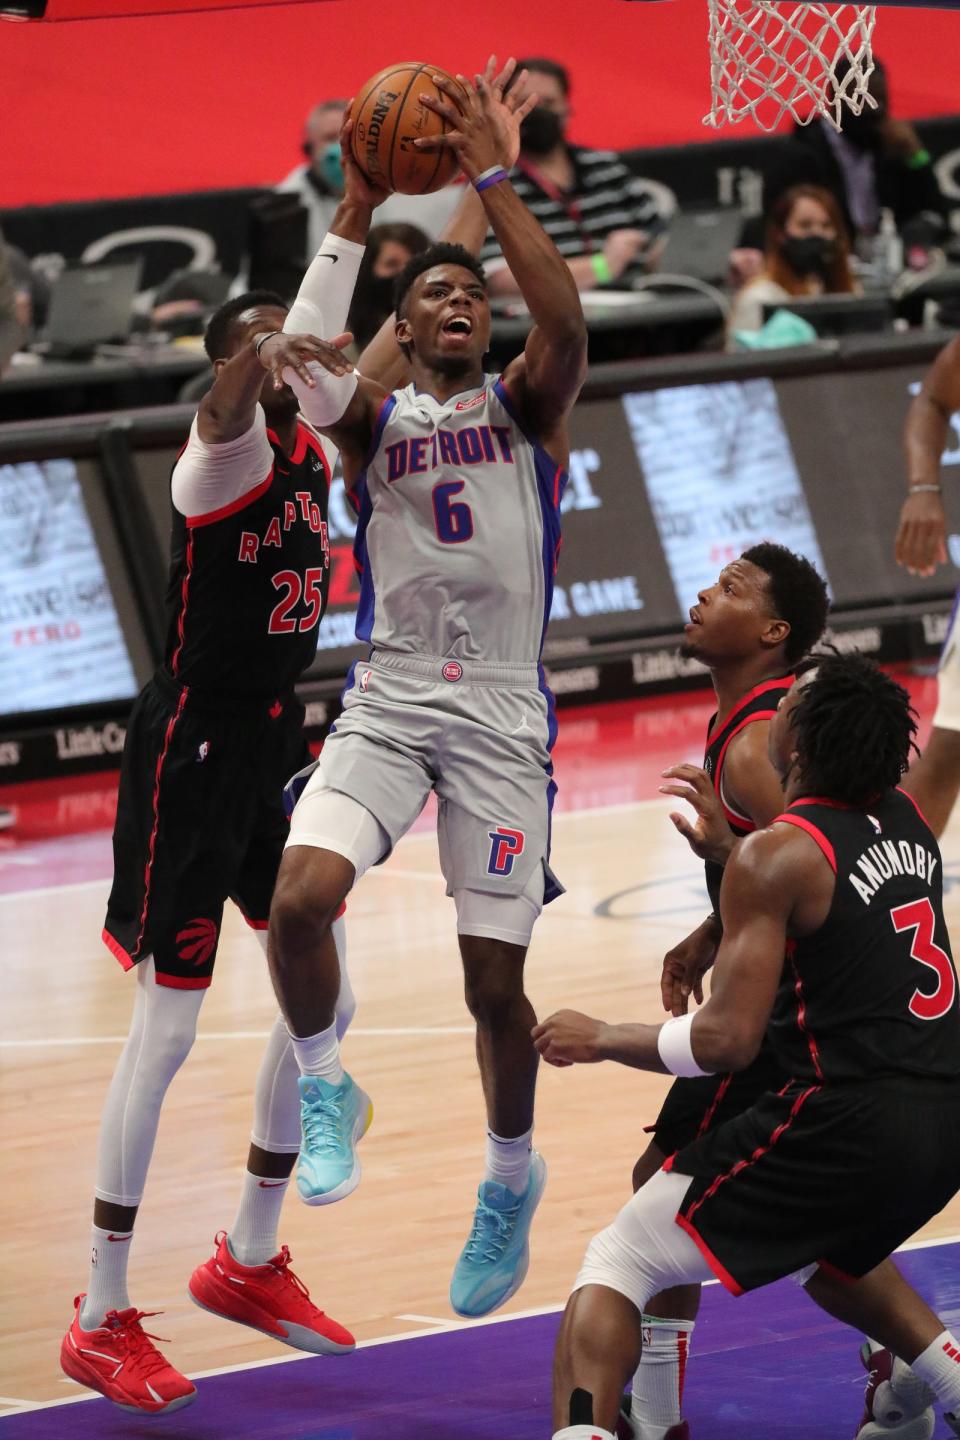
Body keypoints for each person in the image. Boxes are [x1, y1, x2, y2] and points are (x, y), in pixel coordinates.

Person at [61, 69, 533, 1413]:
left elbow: (383, 335)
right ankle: (98, 1309)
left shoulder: (318, 432)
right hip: (191, 750)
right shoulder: (214, 456)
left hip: (272, 740)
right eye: (267, 341)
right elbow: (268, 366)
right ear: (235, 359)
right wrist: (301, 281)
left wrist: (414, 202)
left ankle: (252, 1255)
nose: (298, 349)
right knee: (165, 1031)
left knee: (318, 985)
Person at [256, 67, 587, 1322]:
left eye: (469, 293)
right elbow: (300, 362)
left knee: (491, 989)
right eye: (432, 293)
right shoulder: (375, 427)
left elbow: (562, 318)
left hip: (503, 711)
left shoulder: (526, 409)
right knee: (300, 900)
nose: (455, 298)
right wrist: (352, 205)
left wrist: (494, 182)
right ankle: (329, 1078)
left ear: (486, 325)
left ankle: (509, 1176)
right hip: (391, 696)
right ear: (403, 330)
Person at [535, 654, 960, 1440]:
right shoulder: (904, 819)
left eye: (793, 699)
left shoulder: (780, 852)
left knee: (620, 1258)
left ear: (800, 741)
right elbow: (828, 895)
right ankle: (940, 1384)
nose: (779, 707)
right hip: (943, 1118)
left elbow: (726, 1040)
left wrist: (601, 1038)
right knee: (822, 1253)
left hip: (848, 1120)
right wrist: (730, 868)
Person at [618, 543, 829, 1440]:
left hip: (787, 1017)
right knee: (829, 1227)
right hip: (800, 1002)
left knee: (656, 1196)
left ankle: (660, 1417)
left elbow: (820, 876)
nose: (706, 594)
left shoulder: (751, 747)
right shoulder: (759, 724)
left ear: (774, 634)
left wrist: (720, 861)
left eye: (733, 590)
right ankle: (906, 1372)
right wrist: (711, 926)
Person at [736, 59, 947, 271]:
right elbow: (775, 225)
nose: (872, 110)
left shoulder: (891, 148)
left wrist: (917, 157)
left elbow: (935, 213)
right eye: (860, 101)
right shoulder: (800, 155)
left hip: (887, 263)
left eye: (879, 101)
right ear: (836, 100)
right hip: (823, 267)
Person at [480, 57, 658, 298]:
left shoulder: (605, 168)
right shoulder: (495, 181)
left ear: (567, 107)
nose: (538, 111)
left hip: (643, 311)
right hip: (549, 323)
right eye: (526, 103)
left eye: (548, 102)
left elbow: (660, 240)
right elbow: (500, 280)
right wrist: (603, 266)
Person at [278, 97, 463, 256]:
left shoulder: (385, 183)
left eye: (346, 136)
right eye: (330, 138)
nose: (341, 146)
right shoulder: (286, 204)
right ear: (308, 150)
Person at [728, 184, 856, 338]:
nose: (817, 233)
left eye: (826, 225)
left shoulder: (848, 293)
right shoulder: (759, 299)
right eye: (805, 225)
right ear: (780, 234)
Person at [346, 221, 430, 355]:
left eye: (415, 263)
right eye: (392, 264)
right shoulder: (346, 335)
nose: (405, 273)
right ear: (367, 269)